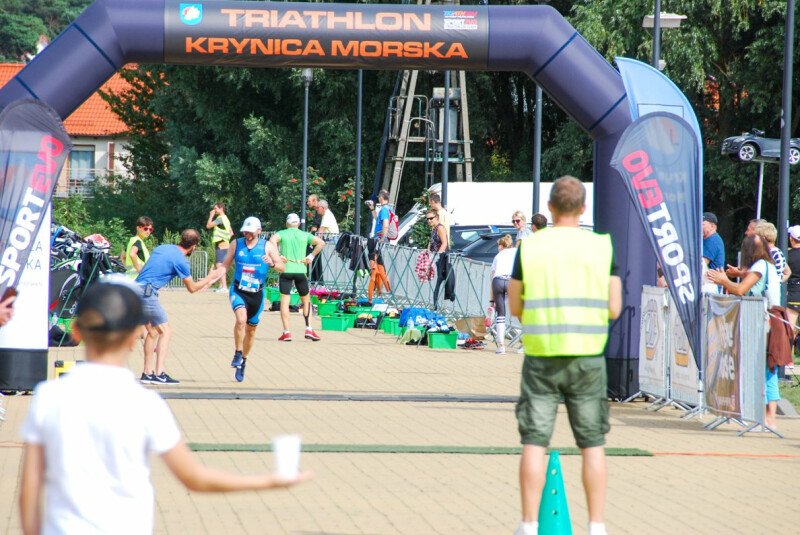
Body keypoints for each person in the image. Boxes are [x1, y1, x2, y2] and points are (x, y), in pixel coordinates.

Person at [19, 280, 310, 535]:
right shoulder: (145, 404)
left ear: (77, 331)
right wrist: (267, 481)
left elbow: (30, 490)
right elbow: (194, 478)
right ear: (136, 335)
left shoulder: (49, 396)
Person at [508, 176, 622, 535]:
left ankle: (528, 525)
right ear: (584, 208)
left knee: (534, 442)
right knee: (592, 444)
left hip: (541, 356)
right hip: (588, 357)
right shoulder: (601, 247)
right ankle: (597, 526)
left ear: (551, 208)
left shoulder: (530, 248)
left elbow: (514, 306)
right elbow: (615, 307)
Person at [707, 235, 781, 430]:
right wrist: (738, 274)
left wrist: (725, 280)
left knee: (764, 370)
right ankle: (767, 418)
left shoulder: (758, 267)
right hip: (769, 322)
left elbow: (741, 290)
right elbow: (752, 280)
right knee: (768, 370)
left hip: (763, 324)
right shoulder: (767, 266)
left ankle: (766, 418)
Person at [136, 229, 223, 385]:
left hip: (136, 289)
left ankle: (147, 373)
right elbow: (192, 288)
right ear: (194, 246)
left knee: (153, 331)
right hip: (148, 292)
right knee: (166, 331)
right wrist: (210, 278)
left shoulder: (162, 248)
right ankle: (160, 373)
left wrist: (205, 282)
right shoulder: (181, 261)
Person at [219, 217, 285, 382]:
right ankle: (237, 352)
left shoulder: (268, 246)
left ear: (259, 231)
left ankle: (244, 360)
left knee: (251, 329)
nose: (247, 233)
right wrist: (213, 278)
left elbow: (281, 267)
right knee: (241, 320)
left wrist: (271, 263)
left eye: (250, 230)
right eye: (245, 230)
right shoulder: (236, 244)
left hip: (257, 293)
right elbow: (225, 264)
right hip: (239, 289)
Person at [270, 213, 325, 342]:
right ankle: (309, 328)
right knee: (306, 300)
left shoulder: (282, 233)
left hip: (286, 270)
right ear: (299, 224)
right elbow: (321, 243)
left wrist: (278, 255)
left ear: (286, 223)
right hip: (301, 270)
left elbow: (272, 240)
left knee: (285, 300)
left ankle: (287, 332)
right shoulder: (304, 235)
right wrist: (311, 256)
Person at [489, 234, 516, 354]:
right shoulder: (516, 252)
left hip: (498, 281)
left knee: (501, 313)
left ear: (501, 246)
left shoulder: (498, 256)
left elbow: (492, 276)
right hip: (511, 281)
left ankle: (501, 347)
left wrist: (491, 301)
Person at [427, 209, 454, 308]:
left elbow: (444, 243)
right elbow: (432, 243)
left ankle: (437, 306)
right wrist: (428, 253)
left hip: (442, 259)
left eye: (431, 218)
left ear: (436, 218)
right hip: (437, 259)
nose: (429, 221)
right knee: (437, 284)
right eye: (427, 219)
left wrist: (437, 255)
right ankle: (435, 305)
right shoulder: (434, 228)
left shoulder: (440, 228)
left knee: (440, 283)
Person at [206, 203, 234, 291]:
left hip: (221, 243)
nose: (214, 210)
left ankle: (224, 286)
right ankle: (221, 286)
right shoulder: (226, 219)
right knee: (221, 265)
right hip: (225, 243)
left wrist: (211, 215)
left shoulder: (220, 218)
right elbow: (231, 232)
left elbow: (208, 225)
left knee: (219, 265)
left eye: (215, 209)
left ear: (221, 208)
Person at [786, 225, 800, 368]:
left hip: (793, 292)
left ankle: (789, 359)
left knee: (790, 327)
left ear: (791, 238)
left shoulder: (788, 255)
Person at [307, 194, 323, 283]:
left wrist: (309, 237)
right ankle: (315, 280)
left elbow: (315, 227)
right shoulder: (318, 211)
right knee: (314, 258)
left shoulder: (319, 211)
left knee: (309, 254)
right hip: (319, 238)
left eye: (309, 201)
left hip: (320, 238)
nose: (307, 203)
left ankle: (309, 279)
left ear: (314, 201)